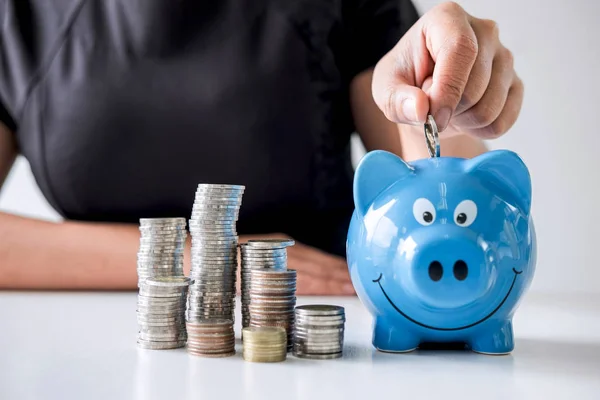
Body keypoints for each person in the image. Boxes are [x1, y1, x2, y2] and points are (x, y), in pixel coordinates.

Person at [0, 1, 522, 294]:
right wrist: (200, 259)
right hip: (80, 344)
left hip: (321, 320)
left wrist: (449, 94)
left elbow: (430, 170)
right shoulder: (15, 17)